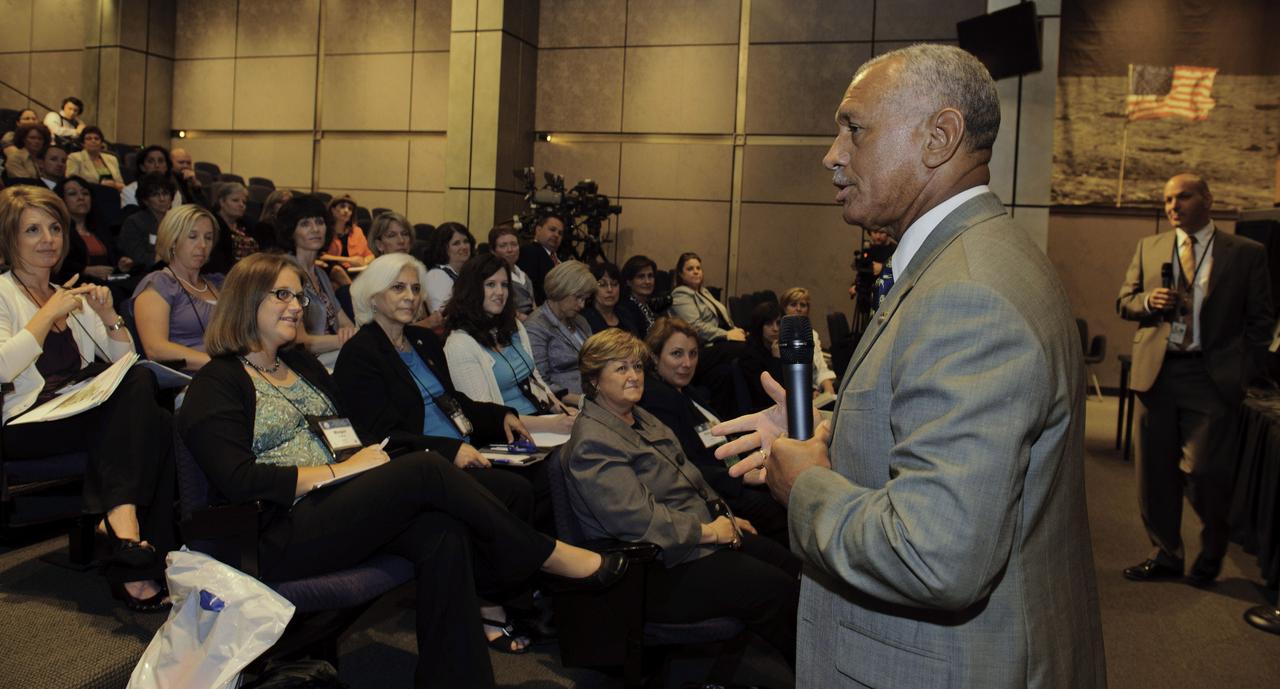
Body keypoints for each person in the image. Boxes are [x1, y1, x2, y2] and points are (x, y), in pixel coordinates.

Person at [713, 44, 1106, 688]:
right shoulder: (976, 257)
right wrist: (827, 430)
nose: (832, 154)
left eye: (854, 128)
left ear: (939, 137)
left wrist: (805, 485)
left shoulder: (968, 294)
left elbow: (936, 554)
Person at [175, 252, 627, 688]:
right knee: (426, 468)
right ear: (245, 300)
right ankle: (546, 556)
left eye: (299, 297)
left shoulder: (301, 364)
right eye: (282, 296)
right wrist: (336, 473)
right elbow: (237, 480)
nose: (297, 306)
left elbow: (348, 431)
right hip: (275, 528)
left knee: (440, 532)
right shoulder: (219, 382)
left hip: (338, 504)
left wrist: (354, 466)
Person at [334, 253, 546, 652]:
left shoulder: (421, 339)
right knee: (513, 490)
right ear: (372, 296)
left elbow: (455, 402)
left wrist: (502, 413)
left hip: (458, 447)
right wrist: (448, 452)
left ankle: (520, 592)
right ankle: (493, 603)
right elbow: (379, 436)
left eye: (415, 288)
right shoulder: (361, 354)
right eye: (398, 288)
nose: (410, 297)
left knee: (541, 474)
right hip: (417, 466)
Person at [561, 328, 800, 665]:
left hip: (697, 539)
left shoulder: (641, 417)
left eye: (638, 367)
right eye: (621, 369)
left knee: (792, 565)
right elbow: (639, 521)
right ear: (594, 381)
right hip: (657, 568)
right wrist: (712, 531)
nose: (634, 376)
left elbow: (691, 476)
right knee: (776, 590)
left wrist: (725, 515)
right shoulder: (593, 443)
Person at [0, 185, 174, 612]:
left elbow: (126, 360)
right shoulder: (4, 294)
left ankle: (131, 547)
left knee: (149, 401)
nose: (48, 239)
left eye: (55, 228)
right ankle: (124, 530)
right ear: (9, 238)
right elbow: (3, 368)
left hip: (80, 411)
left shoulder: (69, 294)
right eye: (33, 230)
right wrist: (46, 315)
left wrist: (109, 317)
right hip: (25, 424)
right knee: (139, 407)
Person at [1116, 172, 1274, 585]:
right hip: (1157, 372)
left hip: (1211, 376)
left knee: (1204, 472)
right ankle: (1166, 554)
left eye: (1182, 197)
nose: (1173, 206)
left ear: (1207, 199)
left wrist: (1244, 371)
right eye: (1167, 199)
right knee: (1155, 473)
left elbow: (1261, 322)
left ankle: (1214, 543)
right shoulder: (1149, 248)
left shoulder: (1245, 253)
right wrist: (1149, 301)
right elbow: (1124, 300)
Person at [639, 317, 788, 546]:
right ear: (655, 357)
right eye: (677, 354)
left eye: (693, 354)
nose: (687, 363)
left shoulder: (687, 391)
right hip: (713, 492)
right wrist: (740, 476)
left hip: (732, 474)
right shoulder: (659, 398)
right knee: (782, 510)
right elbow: (683, 467)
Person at [443, 254, 576, 436]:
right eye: (491, 284)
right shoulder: (460, 344)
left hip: (542, 420)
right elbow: (484, 414)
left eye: (504, 285)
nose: (500, 292)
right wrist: (550, 425)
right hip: (509, 434)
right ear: (472, 289)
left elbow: (534, 377)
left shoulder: (513, 326)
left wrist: (561, 410)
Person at [129, 204, 223, 371]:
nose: (202, 245)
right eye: (192, 236)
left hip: (233, 371)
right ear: (172, 241)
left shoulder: (219, 283)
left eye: (208, 238)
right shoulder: (159, 284)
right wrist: (220, 366)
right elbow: (156, 349)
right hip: (190, 381)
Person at [274, 194, 356, 363]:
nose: (315, 229)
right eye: (305, 224)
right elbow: (301, 341)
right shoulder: (284, 272)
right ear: (290, 231)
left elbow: (344, 322)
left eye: (319, 222)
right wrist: (347, 340)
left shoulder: (321, 274)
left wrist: (351, 333)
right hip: (304, 360)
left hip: (331, 353)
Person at [669, 251, 744, 416]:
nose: (696, 271)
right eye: (690, 269)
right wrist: (727, 335)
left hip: (717, 349)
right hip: (702, 349)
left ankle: (727, 423)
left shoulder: (704, 292)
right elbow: (695, 327)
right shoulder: (680, 294)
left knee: (726, 374)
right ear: (681, 274)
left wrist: (735, 330)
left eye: (698, 268)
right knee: (745, 350)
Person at [524, 260, 596, 405]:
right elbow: (540, 383)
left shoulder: (580, 321)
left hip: (594, 397)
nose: (582, 305)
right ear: (561, 290)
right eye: (578, 297)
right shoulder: (536, 326)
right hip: (566, 406)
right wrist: (582, 401)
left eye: (585, 299)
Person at [56, 176, 130, 283]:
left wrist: (122, 261)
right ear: (61, 200)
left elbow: (115, 255)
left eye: (85, 193)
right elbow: (59, 267)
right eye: (73, 194)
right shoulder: (59, 232)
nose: (81, 197)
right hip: (79, 285)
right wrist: (85, 271)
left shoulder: (101, 229)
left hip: (110, 281)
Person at [778, 287, 836, 396]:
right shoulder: (778, 333)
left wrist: (828, 388)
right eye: (793, 304)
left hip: (812, 390)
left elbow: (820, 368)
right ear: (784, 308)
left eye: (803, 305)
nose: (798, 309)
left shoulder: (812, 334)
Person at [116, 173, 176, 272]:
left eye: (165, 193)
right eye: (155, 194)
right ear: (145, 200)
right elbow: (139, 258)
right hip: (145, 274)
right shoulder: (134, 222)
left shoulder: (176, 220)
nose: (162, 199)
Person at [738, 301, 784, 413]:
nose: (775, 329)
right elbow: (767, 395)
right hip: (765, 411)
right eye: (769, 324)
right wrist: (776, 360)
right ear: (759, 326)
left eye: (778, 323)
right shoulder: (749, 354)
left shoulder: (781, 346)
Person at [206, 181, 257, 274]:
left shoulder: (248, 225)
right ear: (222, 202)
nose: (241, 205)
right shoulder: (212, 225)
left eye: (244, 202)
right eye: (235, 200)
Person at [423, 221, 474, 314]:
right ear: (443, 248)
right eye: (456, 243)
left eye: (466, 241)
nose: (464, 247)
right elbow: (441, 314)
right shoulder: (436, 276)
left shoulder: (470, 273)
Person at [583, 261, 644, 337]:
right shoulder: (584, 319)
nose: (610, 289)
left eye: (614, 284)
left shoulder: (627, 314)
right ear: (592, 288)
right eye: (602, 284)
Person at [488, 223, 535, 318]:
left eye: (514, 244)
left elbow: (533, 304)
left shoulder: (523, 274)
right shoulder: (492, 276)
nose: (510, 250)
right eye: (503, 246)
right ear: (493, 251)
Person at [324, 194, 372, 285]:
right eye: (342, 207)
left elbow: (370, 255)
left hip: (356, 271)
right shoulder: (325, 231)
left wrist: (364, 262)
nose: (346, 211)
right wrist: (349, 260)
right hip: (333, 271)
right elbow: (320, 256)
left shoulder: (357, 231)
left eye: (350, 209)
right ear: (333, 210)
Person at [516, 214, 565, 303]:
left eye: (560, 233)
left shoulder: (561, 257)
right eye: (552, 230)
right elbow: (532, 290)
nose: (556, 235)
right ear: (538, 230)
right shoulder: (529, 252)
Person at [619, 254, 664, 332]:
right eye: (641, 277)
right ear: (628, 282)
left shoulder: (654, 305)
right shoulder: (625, 309)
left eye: (650, 276)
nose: (647, 281)